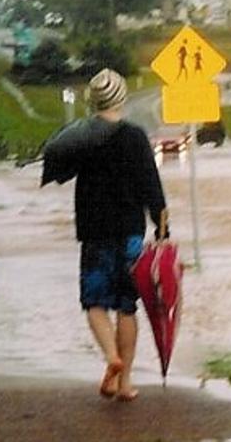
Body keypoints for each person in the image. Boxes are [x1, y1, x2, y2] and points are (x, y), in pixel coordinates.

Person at [53, 68, 167, 401]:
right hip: (131, 230)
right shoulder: (135, 136)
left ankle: (111, 358)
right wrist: (162, 230)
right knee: (127, 307)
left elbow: (61, 173)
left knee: (94, 303)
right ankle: (125, 381)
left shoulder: (82, 137)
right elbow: (152, 186)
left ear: (92, 101)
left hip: (94, 232)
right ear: (123, 98)